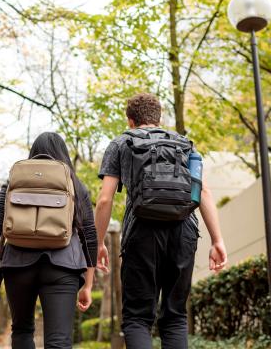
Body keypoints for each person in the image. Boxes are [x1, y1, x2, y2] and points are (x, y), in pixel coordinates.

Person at [95, 93, 228, 349]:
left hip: (141, 232)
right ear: (159, 118)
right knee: (175, 316)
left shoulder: (122, 142)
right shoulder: (184, 144)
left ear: (130, 121)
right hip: (183, 231)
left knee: (137, 317)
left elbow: (104, 200)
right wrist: (217, 239)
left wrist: (99, 243)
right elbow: (204, 192)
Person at [0, 132, 98, 349]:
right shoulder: (74, 183)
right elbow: (89, 236)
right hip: (63, 266)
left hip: (17, 263)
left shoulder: (15, 180)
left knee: (22, 330)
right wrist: (88, 283)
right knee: (58, 340)